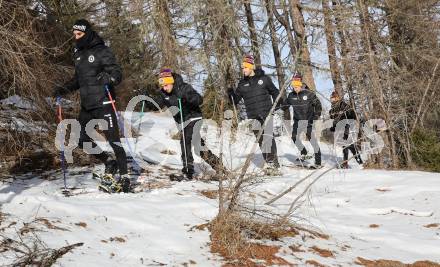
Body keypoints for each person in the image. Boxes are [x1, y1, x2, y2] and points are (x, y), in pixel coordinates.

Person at [53, 19, 130, 192]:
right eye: (74, 34)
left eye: (79, 34)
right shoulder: (78, 54)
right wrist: (63, 89)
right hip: (88, 105)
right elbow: (78, 80)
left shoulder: (102, 50)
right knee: (81, 139)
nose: (76, 37)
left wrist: (109, 78)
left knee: (114, 141)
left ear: (87, 33)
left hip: (104, 102)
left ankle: (125, 177)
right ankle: (109, 162)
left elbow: (117, 73)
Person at [153, 68, 222, 180]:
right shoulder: (164, 93)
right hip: (183, 121)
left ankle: (188, 170)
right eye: (162, 86)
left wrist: (188, 98)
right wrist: (147, 101)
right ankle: (219, 167)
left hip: (194, 117)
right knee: (199, 146)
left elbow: (199, 99)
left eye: (166, 85)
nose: (164, 88)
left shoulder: (183, 87)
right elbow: (157, 105)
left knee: (185, 140)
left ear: (171, 81)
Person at [228, 55, 281, 173]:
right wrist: (230, 94)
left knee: (268, 138)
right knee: (261, 139)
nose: (244, 70)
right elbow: (235, 100)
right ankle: (268, 162)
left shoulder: (264, 79)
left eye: (245, 67)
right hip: (253, 116)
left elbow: (275, 91)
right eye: (242, 68)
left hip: (266, 113)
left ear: (251, 67)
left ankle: (274, 163)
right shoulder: (242, 84)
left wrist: (276, 105)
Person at [284, 73, 322, 168]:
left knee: (312, 140)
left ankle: (318, 162)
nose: (295, 88)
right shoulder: (291, 95)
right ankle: (304, 152)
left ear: (301, 84)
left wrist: (317, 115)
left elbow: (318, 105)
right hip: (297, 121)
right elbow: (284, 106)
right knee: (294, 137)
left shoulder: (309, 94)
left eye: (297, 85)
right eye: (294, 86)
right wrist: (275, 108)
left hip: (308, 120)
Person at [329, 91, 363, 168]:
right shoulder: (333, 109)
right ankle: (357, 162)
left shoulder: (344, 106)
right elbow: (335, 119)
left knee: (348, 146)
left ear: (338, 98)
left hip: (348, 128)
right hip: (340, 129)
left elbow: (352, 117)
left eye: (334, 98)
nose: (332, 100)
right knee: (348, 146)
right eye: (332, 98)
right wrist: (334, 127)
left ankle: (352, 163)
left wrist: (347, 128)